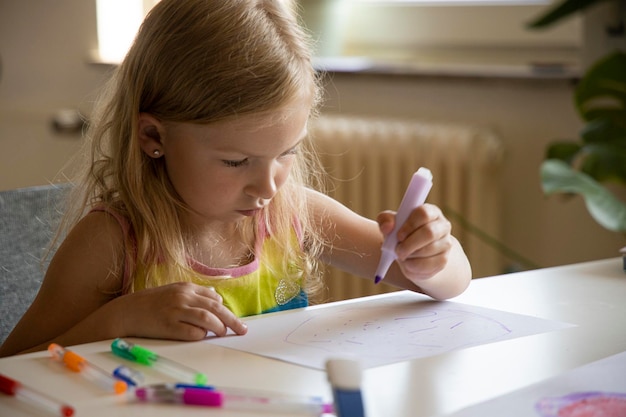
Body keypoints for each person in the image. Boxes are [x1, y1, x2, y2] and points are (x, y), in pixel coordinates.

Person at [0, 0, 471, 357]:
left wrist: (431, 261)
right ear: (152, 135)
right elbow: (15, 364)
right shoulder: (113, 242)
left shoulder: (294, 213)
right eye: (235, 161)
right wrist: (118, 319)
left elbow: (445, 284)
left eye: (286, 152)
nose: (267, 188)